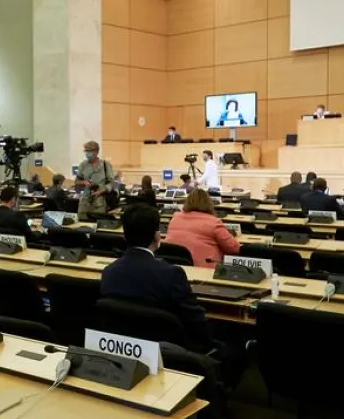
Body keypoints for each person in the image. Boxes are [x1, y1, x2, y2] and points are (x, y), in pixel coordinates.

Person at [100, 204, 213, 353]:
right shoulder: (171, 274)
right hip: (173, 353)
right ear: (156, 236)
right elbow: (196, 321)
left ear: (124, 235)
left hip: (127, 350)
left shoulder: (109, 272)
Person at [163, 187, 241, 267]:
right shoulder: (213, 222)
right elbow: (234, 248)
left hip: (174, 268)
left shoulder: (175, 218)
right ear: (209, 203)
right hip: (204, 270)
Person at [74, 140, 116, 220]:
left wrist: (102, 190)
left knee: (98, 225)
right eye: (86, 151)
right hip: (84, 202)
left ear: (96, 152)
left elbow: (111, 183)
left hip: (99, 202)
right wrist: (84, 182)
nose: (87, 153)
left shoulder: (105, 165)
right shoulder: (83, 165)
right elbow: (76, 181)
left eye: (89, 151)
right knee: (81, 224)